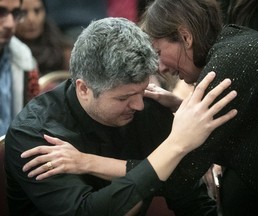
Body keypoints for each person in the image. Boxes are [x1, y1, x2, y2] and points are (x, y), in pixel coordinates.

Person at [4, 17, 237, 215]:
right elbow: (85, 211)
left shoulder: (149, 108)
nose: (138, 105)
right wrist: (174, 146)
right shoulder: (35, 134)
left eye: (142, 90)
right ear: (83, 89)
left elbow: (186, 196)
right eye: (123, 98)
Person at [138, 0, 258, 215]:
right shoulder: (234, 42)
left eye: (158, 53)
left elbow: (177, 176)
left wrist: (88, 163)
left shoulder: (225, 67)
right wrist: (180, 105)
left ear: (185, 37)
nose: (160, 68)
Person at [0, 0, 39, 137]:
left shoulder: (26, 60)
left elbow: (33, 122)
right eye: (1, 12)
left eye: (16, 13)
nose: (10, 24)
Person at [15, 0, 72, 76]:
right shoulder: (7, 53)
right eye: (23, 12)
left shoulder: (64, 51)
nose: (32, 19)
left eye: (37, 11)